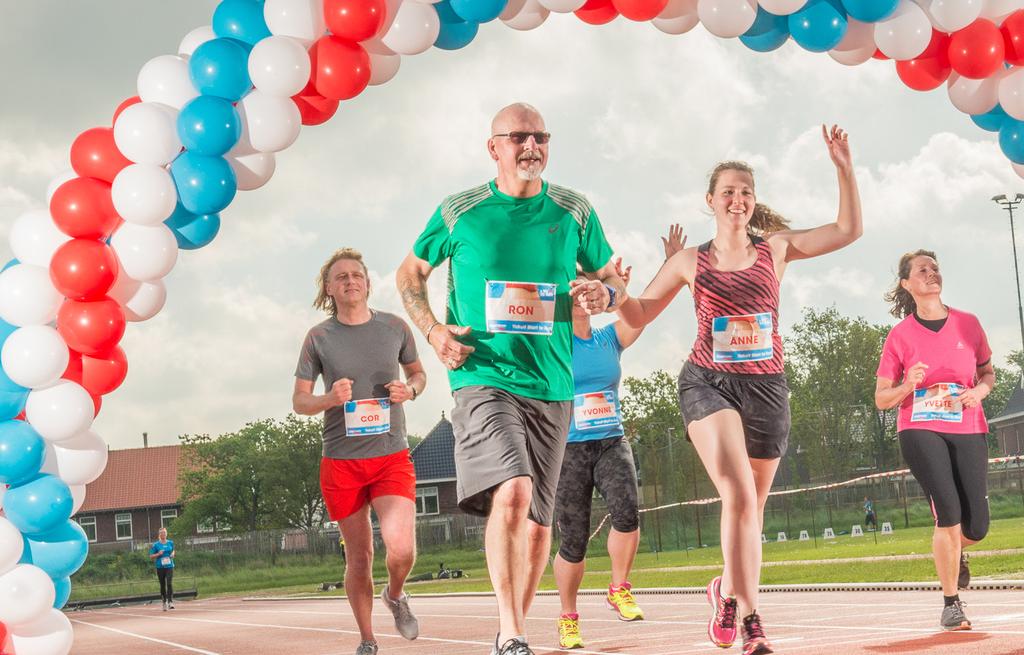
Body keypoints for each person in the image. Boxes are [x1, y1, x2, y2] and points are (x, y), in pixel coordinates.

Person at [614, 125, 862, 655]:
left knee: (753, 507)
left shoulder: (778, 248)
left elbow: (846, 230)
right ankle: (751, 617)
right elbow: (638, 316)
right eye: (728, 191)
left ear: (754, 202)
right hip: (708, 383)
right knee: (739, 494)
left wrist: (843, 166)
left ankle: (726, 590)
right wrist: (617, 292)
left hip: (768, 387)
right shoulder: (688, 262)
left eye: (746, 191)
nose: (738, 198)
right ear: (711, 201)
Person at [396, 102, 627, 655]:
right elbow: (409, 273)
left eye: (541, 136)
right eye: (519, 136)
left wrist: (605, 293)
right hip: (481, 376)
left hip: (551, 384)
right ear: (492, 147)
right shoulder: (460, 210)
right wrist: (431, 331)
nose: (532, 146)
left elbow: (612, 279)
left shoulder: (573, 209)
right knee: (514, 490)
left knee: (540, 526)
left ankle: (513, 631)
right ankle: (512, 631)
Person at [554, 228, 684, 650]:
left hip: (611, 439)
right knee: (573, 540)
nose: (580, 295)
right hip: (568, 449)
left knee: (628, 512)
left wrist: (671, 267)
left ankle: (618, 587)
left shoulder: (610, 336)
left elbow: (644, 310)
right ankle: (568, 616)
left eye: (585, 288)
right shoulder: (551, 346)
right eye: (571, 288)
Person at [294, 248, 427, 655]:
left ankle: (396, 594)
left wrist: (412, 391)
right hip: (341, 461)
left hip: (390, 455)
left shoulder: (395, 327)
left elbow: (419, 374)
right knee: (360, 555)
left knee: (402, 547)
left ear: (368, 283)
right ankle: (368, 639)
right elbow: (300, 402)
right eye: (341, 277)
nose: (350, 281)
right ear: (329, 289)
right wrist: (329, 398)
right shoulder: (319, 337)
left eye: (357, 275)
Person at [874, 250, 994, 631]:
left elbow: (987, 373)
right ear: (907, 284)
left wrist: (980, 392)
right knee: (948, 513)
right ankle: (951, 603)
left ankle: (956, 551)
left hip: (968, 424)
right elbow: (881, 398)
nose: (932, 273)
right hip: (920, 426)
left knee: (975, 528)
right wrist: (908, 384)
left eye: (935, 268)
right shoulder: (900, 335)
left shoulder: (968, 324)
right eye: (922, 270)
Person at [149, 527, 175, 611]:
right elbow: (151, 556)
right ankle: (164, 602)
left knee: (169, 583)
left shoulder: (171, 542)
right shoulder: (156, 545)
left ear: (166, 533)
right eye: (161, 533)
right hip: (160, 567)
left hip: (169, 566)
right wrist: (158, 554)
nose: (163, 534)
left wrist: (172, 554)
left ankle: (170, 602)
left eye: (164, 532)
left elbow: (173, 550)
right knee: (162, 585)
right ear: (159, 534)